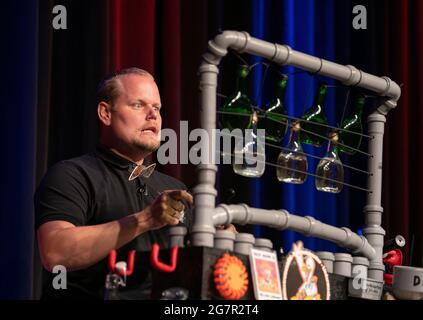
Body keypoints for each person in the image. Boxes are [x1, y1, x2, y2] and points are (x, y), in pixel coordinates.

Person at [35, 68, 196, 299]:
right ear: (105, 113)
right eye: (139, 105)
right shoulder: (72, 175)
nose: (153, 116)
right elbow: (55, 252)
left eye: (157, 108)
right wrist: (146, 220)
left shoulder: (176, 189)